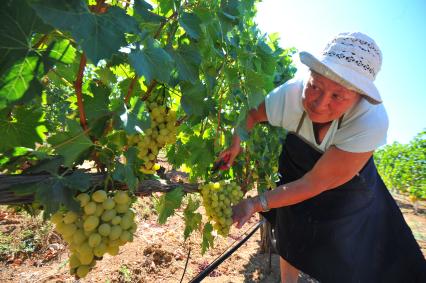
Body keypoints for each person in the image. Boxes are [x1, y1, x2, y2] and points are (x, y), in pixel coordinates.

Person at [218, 32, 426, 282]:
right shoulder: (291, 94)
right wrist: (235, 143)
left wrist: (254, 203)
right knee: (290, 229)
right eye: (315, 85)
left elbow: (314, 183)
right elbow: (251, 116)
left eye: (337, 96)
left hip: (347, 183)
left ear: (359, 97)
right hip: (298, 158)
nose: (319, 103)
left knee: (356, 251)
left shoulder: (370, 122)